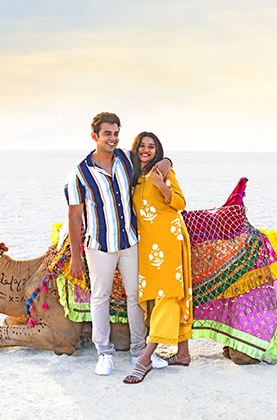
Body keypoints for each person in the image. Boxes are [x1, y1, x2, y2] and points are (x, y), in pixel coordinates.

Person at [65, 112, 171, 376]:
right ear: (95, 136)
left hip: (129, 241)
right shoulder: (80, 172)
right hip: (99, 245)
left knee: (136, 296)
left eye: (116, 133)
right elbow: (74, 216)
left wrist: (167, 161)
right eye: (107, 134)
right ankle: (104, 353)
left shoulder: (125, 159)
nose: (112, 139)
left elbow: (153, 159)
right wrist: (76, 257)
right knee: (100, 297)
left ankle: (139, 351)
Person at [123, 132, 193, 384]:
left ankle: (145, 359)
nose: (146, 150)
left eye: (151, 147)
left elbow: (181, 203)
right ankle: (182, 353)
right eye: (142, 146)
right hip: (148, 245)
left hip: (169, 238)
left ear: (157, 150)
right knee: (158, 295)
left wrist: (161, 183)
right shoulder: (133, 176)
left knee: (168, 294)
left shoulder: (162, 171)